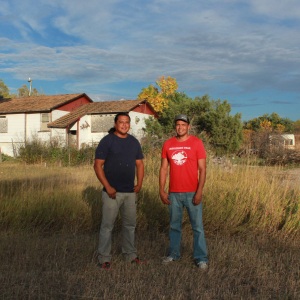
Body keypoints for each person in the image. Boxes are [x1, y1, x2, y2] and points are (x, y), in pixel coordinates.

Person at [94, 112, 145, 269]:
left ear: (130, 124)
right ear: (115, 124)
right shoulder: (107, 141)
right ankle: (104, 258)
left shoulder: (134, 142)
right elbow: (97, 165)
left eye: (127, 122)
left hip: (130, 192)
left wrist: (139, 184)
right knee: (107, 226)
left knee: (130, 225)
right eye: (121, 122)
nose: (124, 125)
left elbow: (140, 164)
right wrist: (108, 187)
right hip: (112, 193)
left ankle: (130, 255)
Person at [159, 114, 208, 270]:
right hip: (174, 193)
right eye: (177, 124)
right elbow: (164, 168)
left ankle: (201, 258)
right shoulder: (168, 144)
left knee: (197, 227)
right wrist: (161, 189)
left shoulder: (196, 143)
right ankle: (174, 254)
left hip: (192, 192)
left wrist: (199, 191)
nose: (180, 127)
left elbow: (202, 169)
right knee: (174, 226)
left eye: (183, 124)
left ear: (188, 126)